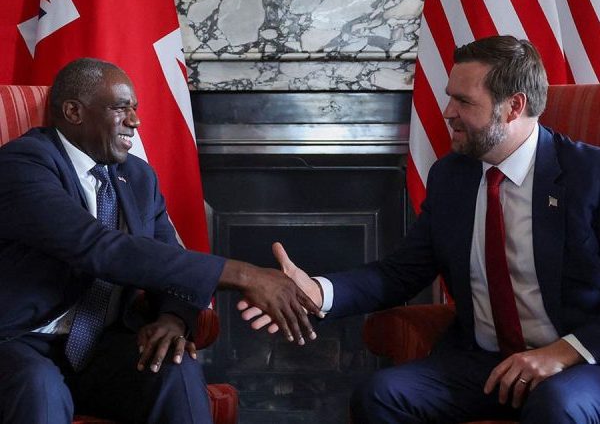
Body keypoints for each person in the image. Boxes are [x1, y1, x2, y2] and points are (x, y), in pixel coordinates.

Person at [239, 35, 600, 423]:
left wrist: (562, 353)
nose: (447, 112)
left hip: (578, 362)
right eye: (450, 97)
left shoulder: (589, 176)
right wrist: (317, 291)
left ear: (514, 106)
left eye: (463, 101)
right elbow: (401, 273)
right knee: (380, 395)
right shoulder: (451, 177)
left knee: (556, 405)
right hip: (485, 362)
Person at [0, 58, 322, 424]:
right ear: (74, 112)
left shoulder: (138, 177)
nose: (135, 120)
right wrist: (246, 275)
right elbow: (99, 248)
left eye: (135, 109)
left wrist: (173, 319)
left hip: (101, 346)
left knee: (174, 368)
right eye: (121, 108)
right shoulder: (23, 164)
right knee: (39, 388)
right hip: (19, 341)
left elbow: (167, 257)